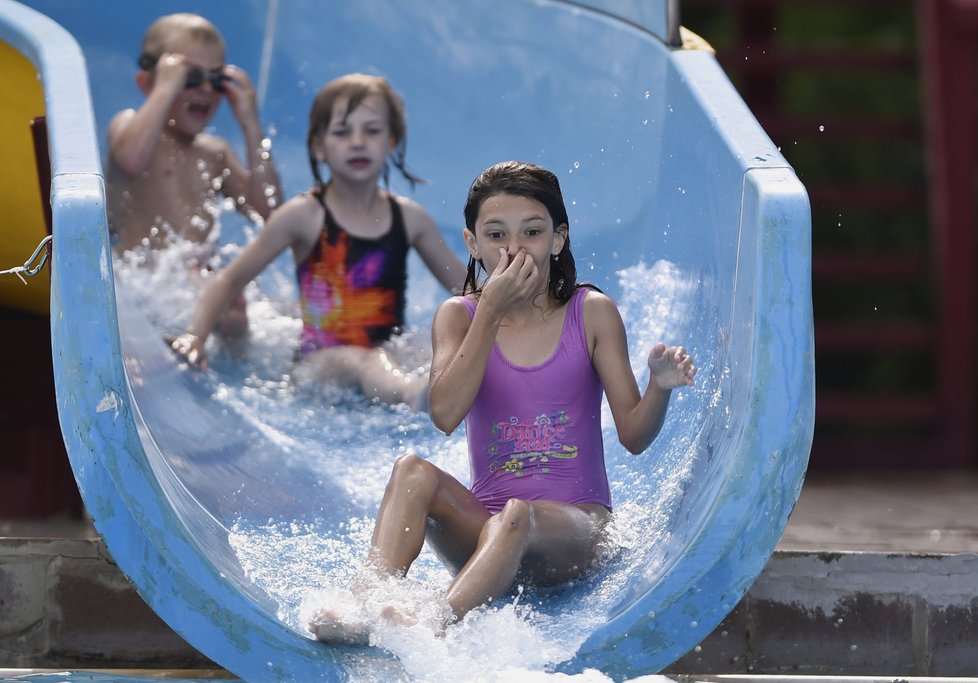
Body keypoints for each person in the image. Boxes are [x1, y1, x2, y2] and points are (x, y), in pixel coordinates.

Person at [308, 160, 696, 644]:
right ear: (473, 244)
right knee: (411, 470)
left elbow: (634, 437)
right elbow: (445, 414)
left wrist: (659, 387)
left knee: (519, 513)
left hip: (576, 530)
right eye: (495, 235)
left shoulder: (590, 313)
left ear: (558, 239)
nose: (514, 249)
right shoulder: (459, 316)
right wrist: (489, 310)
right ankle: (363, 604)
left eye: (532, 232)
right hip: (487, 531)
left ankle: (434, 623)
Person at [167, 74, 465, 410]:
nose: (357, 142)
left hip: (386, 352)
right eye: (342, 132)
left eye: (372, 131)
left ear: (391, 141)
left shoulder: (410, 218)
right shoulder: (303, 216)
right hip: (318, 365)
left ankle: (415, 385)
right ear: (318, 146)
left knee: (436, 350)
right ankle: (414, 395)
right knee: (365, 361)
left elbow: (465, 290)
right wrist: (195, 336)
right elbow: (229, 279)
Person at [107, 13, 282, 336]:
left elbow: (269, 214)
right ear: (148, 82)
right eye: (189, 76)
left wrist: (251, 123)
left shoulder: (215, 153)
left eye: (216, 80)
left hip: (195, 292)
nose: (205, 89)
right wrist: (165, 88)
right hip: (140, 290)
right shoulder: (130, 127)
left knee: (244, 316)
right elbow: (130, 160)